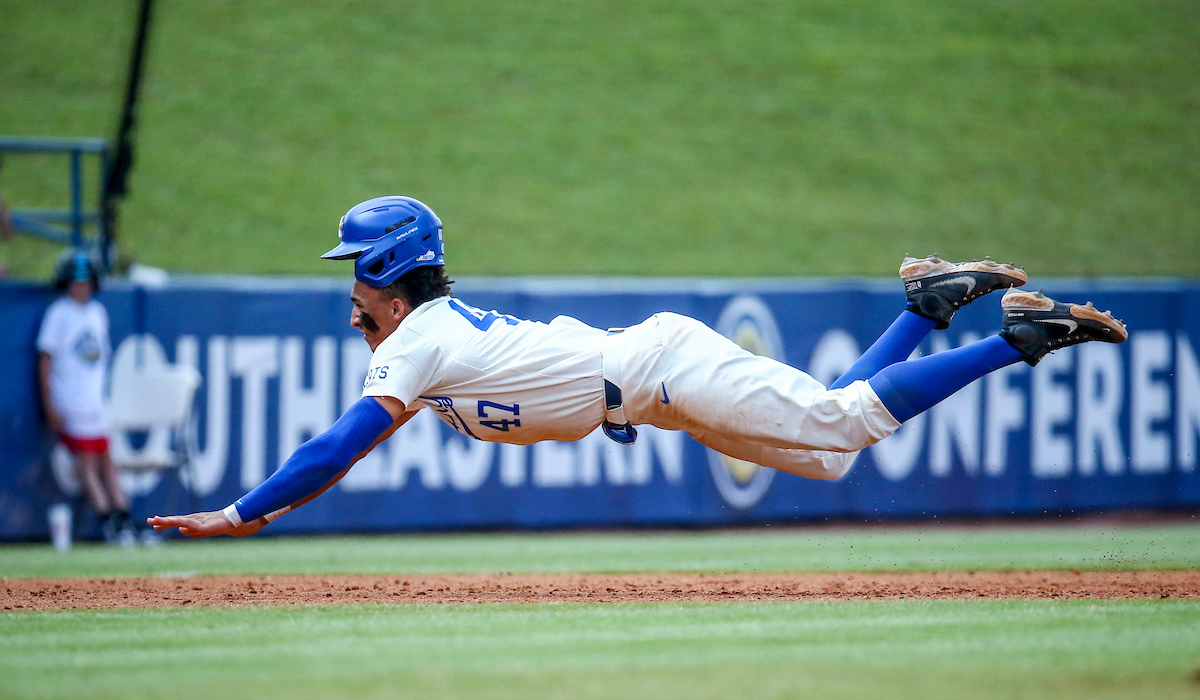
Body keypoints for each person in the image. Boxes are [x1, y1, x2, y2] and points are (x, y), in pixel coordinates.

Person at [149, 196, 1128, 538]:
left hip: (663, 368)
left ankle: (1018, 336)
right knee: (832, 451)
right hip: (650, 391)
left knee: (842, 425)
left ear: (387, 274)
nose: (349, 295)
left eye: (356, 273)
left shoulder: (414, 340)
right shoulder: (423, 335)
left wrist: (244, 510)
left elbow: (337, 445)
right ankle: (926, 306)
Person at [38, 250, 145, 547]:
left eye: (86, 282)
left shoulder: (97, 312)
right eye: (75, 282)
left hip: (94, 401)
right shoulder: (58, 313)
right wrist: (50, 404)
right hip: (70, 401)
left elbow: (100, 361)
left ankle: (123, 515)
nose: (81, 287)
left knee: (106, 460)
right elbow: (45, 359)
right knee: (86, 462)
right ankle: (107, 519)